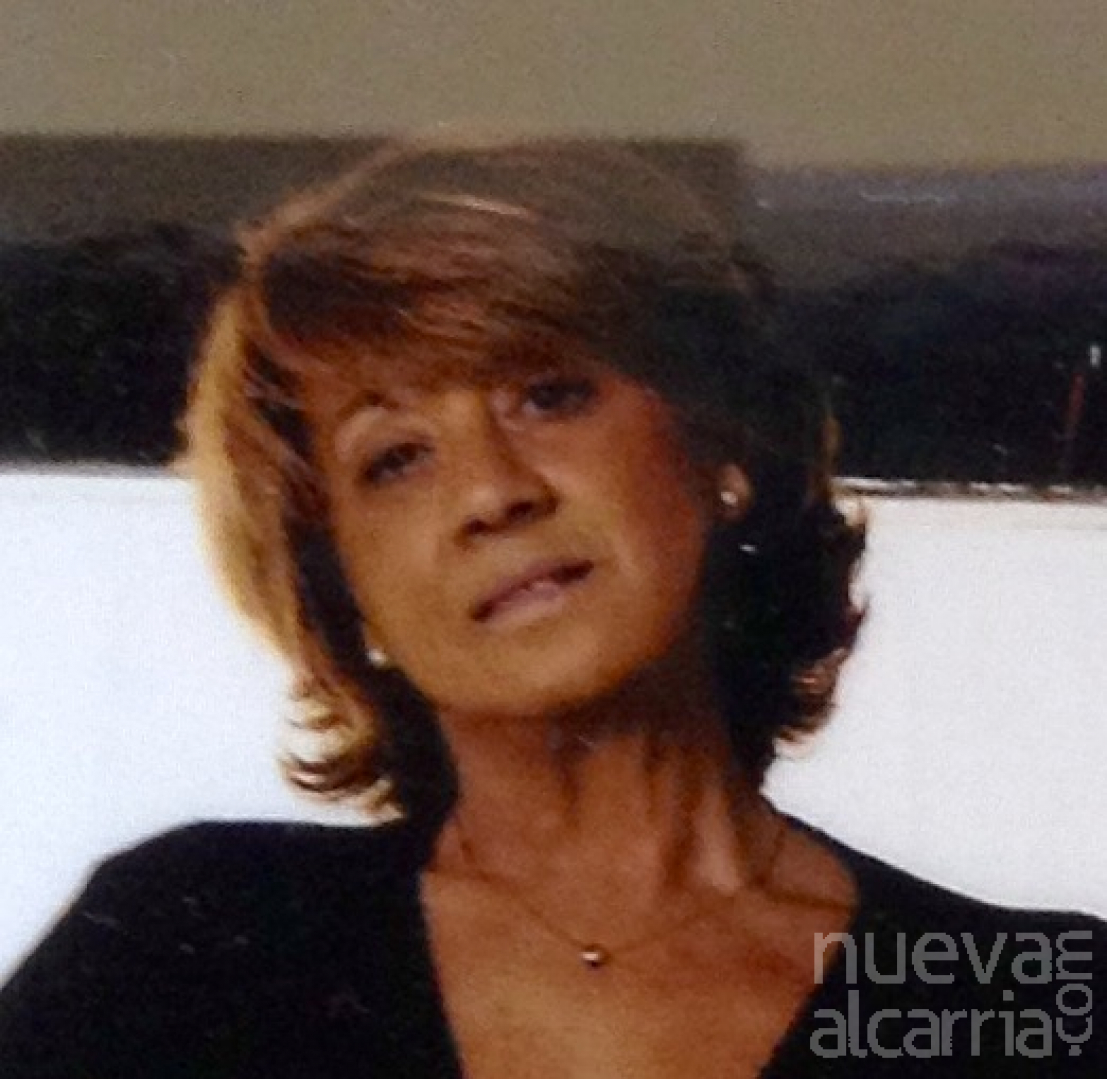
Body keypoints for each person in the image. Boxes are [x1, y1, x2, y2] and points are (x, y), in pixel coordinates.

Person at [0, 136, 1102, 1077]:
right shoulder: (187, 947)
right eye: (395, 458)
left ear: (717, 450)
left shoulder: (1026, 1003)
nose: (492, 491)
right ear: (344, 588)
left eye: (548, 393)